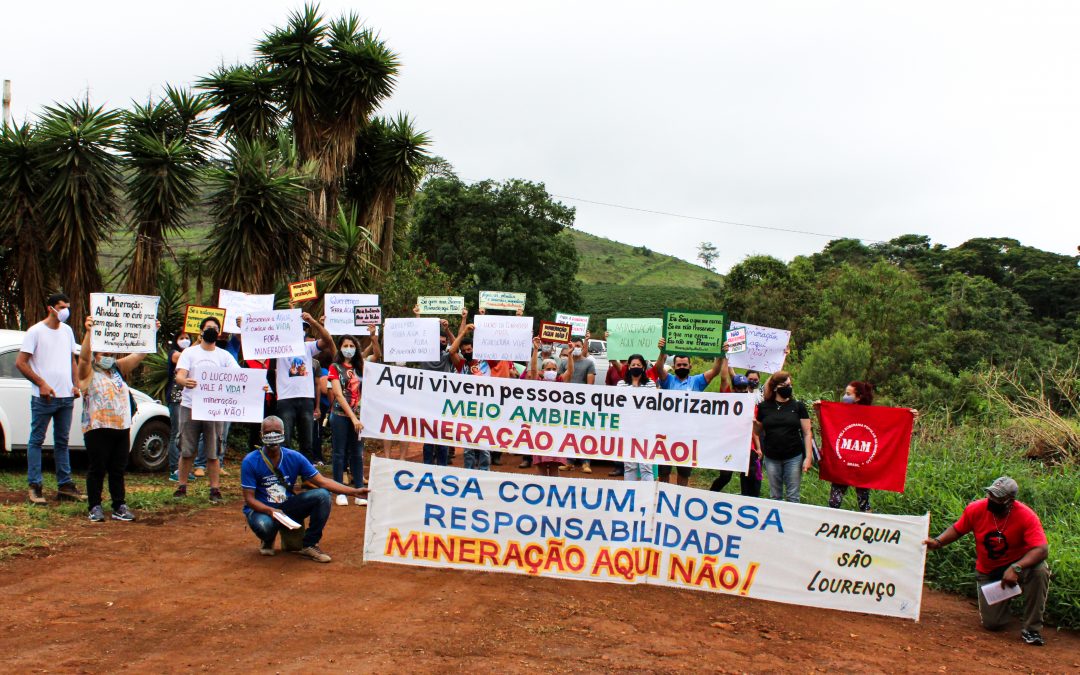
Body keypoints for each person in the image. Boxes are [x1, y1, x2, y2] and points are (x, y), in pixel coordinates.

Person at [923, 477, 1050, 647]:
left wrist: (1017, 567)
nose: (991, 499)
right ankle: (1009, 598)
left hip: (1018, 566)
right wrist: (938, 542)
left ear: (1010, 501)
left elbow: (1041, 549)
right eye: (990, 494)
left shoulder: (1026, 516)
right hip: (989, 571)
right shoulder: (976, 509)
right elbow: (957, 529)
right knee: (993, 624)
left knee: (1039, 570)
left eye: (997, 497)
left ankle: (1031, 629)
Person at [241, 415, 369, 563]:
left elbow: (323, 482)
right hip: (262, 510)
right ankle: (268, 538)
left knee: (322, 495)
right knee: (265, 527)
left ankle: (310, 545)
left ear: (284, 433)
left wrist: (354, 492)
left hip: (286, 508)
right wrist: (270, 511)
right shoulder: (250, 461)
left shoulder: (294, 457)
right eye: (268, 432)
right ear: (261, 435)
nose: (273, 435)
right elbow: (249, 499)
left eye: (277, 431)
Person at [78, 316, 152, 522]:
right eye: (103, 352)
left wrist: (149, 332)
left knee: (118, 469)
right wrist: (89, 333)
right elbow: (83, 359)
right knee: (97, 469)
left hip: (121, 428)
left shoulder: (117, 369)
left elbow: (138, 355)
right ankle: (94, 506)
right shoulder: (88, 372)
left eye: (110, 352)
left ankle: (119, 505)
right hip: (97, 428)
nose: (107, 356)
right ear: (95, 354)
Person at [16, 293, 83, 504]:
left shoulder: (67, 331)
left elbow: (71, 359)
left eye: (67, 306)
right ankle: (35, 486)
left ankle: (65, 485)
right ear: (50, 308)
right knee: (36, 440)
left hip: (65, 397)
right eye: (61, 307)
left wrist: (76, 383)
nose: (65, 311)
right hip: (44, 398)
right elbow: (21, 363)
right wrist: (41, 383)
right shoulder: (35, 332)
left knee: (62, 442)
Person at [173, 316, 240, 503]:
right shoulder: (189, 353)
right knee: (187, 450)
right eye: (208, 327)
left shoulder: (224, 356)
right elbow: (180, 376)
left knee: (213, 451)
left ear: (218, 333)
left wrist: (259, 386)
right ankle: (182, 486)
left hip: (214, 409)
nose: (211, 330)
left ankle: (215, 489)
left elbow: (241, 377)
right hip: (189, 407)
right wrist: (185, 381)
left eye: (215, 328)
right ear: (201, 331)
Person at [653, 339, 730, 486]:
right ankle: (662, 497)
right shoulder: (668, 381)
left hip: (687, 437)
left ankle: (680, 498)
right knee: (664, 473)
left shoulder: (697, 381)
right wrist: (662, 351)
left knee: (683, 474)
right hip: (666, 435)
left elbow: (715, 371)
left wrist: (721, 353)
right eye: (679, 365)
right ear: (674, 367)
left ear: (690, 366)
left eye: (684, 365)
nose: (682, 367)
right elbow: (658, 368)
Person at [328, 327, 380, 506]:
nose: (348, 348)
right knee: (339, 453)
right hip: (341, 415)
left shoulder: (361, 366)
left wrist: (373, 338)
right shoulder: (334, 367)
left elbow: (377, 356)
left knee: (357, 454)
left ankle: (359, 491)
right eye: (345, 345)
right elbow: (339, 395)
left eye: (351, 345)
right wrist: (353, 418)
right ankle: (339, 491)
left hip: (359, 417)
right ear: (340, 348)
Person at [274, 313, 335, 464]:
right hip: (285, 399)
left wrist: (313, 321)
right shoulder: (278, 348)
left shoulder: (307, 347)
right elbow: (257, 343)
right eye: (298, 327)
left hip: (306, 399)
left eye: (304, 328)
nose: (301, 330)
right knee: (285, 441)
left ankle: (307, 477)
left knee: (307, 442)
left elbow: (328, 340)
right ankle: (285, 473)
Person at [415, 305, 466, 466]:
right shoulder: (423, 354)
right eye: (439, 341)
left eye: (444, 342)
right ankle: (428, 466)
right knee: (429, 437)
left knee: (443, 437)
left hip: (444, 400)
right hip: (426, 400)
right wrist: (417, 316)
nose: (442, 344)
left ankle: (442, 467)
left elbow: (456, 344)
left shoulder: (447, 356)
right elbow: (417, 335)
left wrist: (448, 329)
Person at [754, 371, 812, 502]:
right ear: (775, 387)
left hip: (794, 456)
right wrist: (754, 424)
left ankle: (792, 522)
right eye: (784, 385)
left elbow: (807, 433)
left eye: (789, 385)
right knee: (775, 496)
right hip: (771, 457)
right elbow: (758, 431)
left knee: (793, 496)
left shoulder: (798, 406)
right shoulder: (764, 407)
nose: (788, 387)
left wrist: (808, 457)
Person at [523, 337, 574, 476]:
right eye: (548, 369)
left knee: (554, 464)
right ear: (543, 370)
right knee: (540, 463)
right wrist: (535, 349)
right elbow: (533, 369)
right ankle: (542, 491)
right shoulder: (538, 382)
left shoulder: (560, 381)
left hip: (555, 427)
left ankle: (552, 491)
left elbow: (570, 372)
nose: (551, 371)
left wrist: (569, 355)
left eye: (554, 369)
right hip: (539, 426)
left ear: (557, 370)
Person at [825, 381, 875, 512]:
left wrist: (909, 415)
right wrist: (821, 410)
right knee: (834, 502)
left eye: (848, 394)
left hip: (861, 464)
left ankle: (868, 528)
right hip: (842, 463)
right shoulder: (840, 413)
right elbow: (827, 427)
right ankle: (830, 526)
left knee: (864, 502)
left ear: (858, 397)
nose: (844, 397)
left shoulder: (871, 414)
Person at [709, 374, 763, 497]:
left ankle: (749, 501)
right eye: (739, 388)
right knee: (726, 476)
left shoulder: (751, 404)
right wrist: (725, 358)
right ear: (733, 388)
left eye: (744, 388)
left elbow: (753, 427)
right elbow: (724, 378)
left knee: (751, 473)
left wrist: (758, 447)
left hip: (747, 445)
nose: (742, 391)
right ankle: (711, 495)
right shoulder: (727, 400)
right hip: (729, 445)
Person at [614, 354, 657, 482]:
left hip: (646, 430)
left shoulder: (650, 384)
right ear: (628, 367)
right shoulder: (621, 384)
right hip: (627, 430)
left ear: (643, 367)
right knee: (629, 466)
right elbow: (618, 406)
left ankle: (646, 499)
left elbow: (653, 406)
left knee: (646, 467)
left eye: (638, 365)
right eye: (633, 365)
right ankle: (630, 496)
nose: (636, 367)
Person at [558, 335, 597, 474]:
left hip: (583, 403)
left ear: (582, 347)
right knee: (569, 433)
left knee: (584, 433)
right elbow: (561, 381)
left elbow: (590, 385)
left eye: (578, 346)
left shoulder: (589, 363)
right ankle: (569, 462)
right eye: (572, 346)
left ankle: (585, 463)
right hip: (567, 402)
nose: (575, 348)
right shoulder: (563, 364)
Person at [166, 332, 195, 482]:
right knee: (176, 433)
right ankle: (174, 469)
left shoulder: (192, 354)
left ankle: (183, 469)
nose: (185, 340)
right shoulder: (174, 353)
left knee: (186, 435)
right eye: (181, 338)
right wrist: (199, 343)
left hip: (189, 399)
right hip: (176, 398)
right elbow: (181, 358)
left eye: (187, 338)